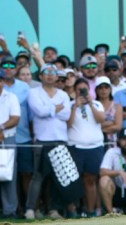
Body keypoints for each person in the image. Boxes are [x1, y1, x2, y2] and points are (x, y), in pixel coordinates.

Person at [25, 65, 72, 220]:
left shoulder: (63, 94)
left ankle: (53, 210)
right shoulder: (33, 92)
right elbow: (38, 111)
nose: (50, 76)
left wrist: (50, 110)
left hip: (60, 140)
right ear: (41, 76)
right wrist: (55, 109)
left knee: (57, 177)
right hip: (42, 141)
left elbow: (66, 114)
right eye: (47, 73)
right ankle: (31, 208)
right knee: (38, 176)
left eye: (53, 73)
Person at [66, 78, 105, 217]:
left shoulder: (97, 104)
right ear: (74, 91)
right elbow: (67, 124)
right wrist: (75, 107)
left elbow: (101, 119)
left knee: (90, 179)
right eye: (79, 90)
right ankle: (73, 210)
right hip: (75, 147)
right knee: (73, 180)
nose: (82, 92)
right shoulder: (70, 105)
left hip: (94, 147)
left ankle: (90, 210)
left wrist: (90, 105)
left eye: (85, 89)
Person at [0, 71, 20, 219]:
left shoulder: (11, 97)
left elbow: (15, 119)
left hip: (7, 139)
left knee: (8, 176)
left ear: (3, 82)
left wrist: (0, 128)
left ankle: (10, 210)